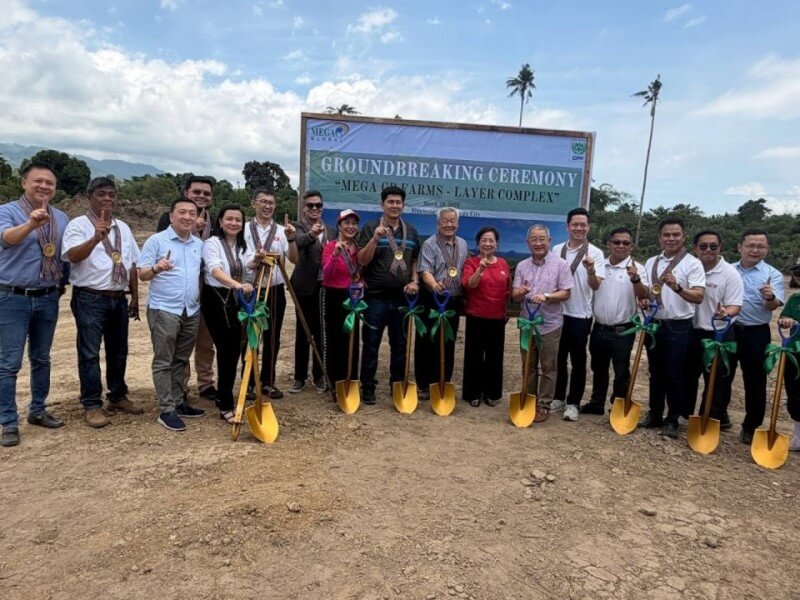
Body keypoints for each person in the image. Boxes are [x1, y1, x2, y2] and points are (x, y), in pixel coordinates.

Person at [62, 177, 143, 428]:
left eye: (111, 194)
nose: (107, 198)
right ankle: (91, 403)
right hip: (90, 297)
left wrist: (135, 297)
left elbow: (130, 264)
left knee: (119, 351)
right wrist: (95, 239)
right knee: (89, 352)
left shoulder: (124, 228)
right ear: (89, 197)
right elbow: (72, 256)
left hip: (118, 298)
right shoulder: (78, 225)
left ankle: (117, 395)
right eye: (101, 194)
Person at [0, 163, 69, 447]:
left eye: (49, 183)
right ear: (24, 183)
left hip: (47, 297)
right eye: (38, 181)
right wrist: (31, 224)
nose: (44, 187)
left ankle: (38, 410)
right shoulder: (7, 211)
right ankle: (8, 422)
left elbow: (63, 256)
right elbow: (6, 240)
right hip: (12, 297)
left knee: (41, 358)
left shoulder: (62, 217)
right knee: (9, 364)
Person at [138, 198, 206, 432]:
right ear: (171, 215)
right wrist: (157, 267)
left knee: (180, 359)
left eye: (192, 213)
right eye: (182, 212)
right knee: (164, 360)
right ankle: (166, 409)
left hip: (191, 310)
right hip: (165, 309)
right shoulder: (156, 241)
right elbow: (142, 274)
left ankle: (178, 401)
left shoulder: (198, 244)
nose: (187, 217)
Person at [641, 216, 705, 439]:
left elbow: (698, 296)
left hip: (679, 326)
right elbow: (648, 291)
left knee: (676, 374)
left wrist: (677, 287)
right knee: (655, 372)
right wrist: (644, 299)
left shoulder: (692, 263)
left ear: (683, 236)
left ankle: (672, 419)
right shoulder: (651, 262)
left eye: (676, 234)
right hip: (654, 324)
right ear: (660, 238)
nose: (671, 238)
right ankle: (655, 414)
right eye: (666, 234)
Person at [356, 186, 420, 405]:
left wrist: (414, 280)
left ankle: (397, 385)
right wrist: (374, 239)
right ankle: (367, 386)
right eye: (390, 202)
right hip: (375, 298)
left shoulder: (410, 230)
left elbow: (414, 259)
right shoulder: (370, 227)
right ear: (382, 204)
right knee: (371, 344)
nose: (394, 206)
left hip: (402, 299)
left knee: (400, 345)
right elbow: (361, 260)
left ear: (403, 205)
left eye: (398, 202)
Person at [157, 176, 217, 403]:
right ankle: (179, 387)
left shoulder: (217, 221)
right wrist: (192, 230)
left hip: (208, 289)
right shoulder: (170, 218)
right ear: (186, 193)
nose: (202, 196)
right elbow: (167, 247)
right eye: (197, 192)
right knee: (179, 343)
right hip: (179, 291)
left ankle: (206, 383)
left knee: (205, 341)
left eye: (206, 193)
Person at [724, 229, 784, 444]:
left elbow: (773, 305)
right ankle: (719, 416)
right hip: (728, 329)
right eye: (751, 245)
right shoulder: (728, 270)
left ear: (766, 249)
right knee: (723, 373)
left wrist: (769, 297)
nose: (755, 250)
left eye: (761, 246)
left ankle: (751, 426)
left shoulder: (773, 275)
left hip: (756, 332)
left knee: (755, 380)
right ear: (740, 247)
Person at [583, 227, 650, 415]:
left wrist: (635, 278)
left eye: (626, 243)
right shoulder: (599, 265)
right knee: (599, 367)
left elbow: (644, 294)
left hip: (623, 329)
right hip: (600, 327)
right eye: (616, 242)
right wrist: (590, 272)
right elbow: (594, 285)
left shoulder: (637, 268)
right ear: (609, 244)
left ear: (632, 247)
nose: (621, 246)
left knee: (621, 370)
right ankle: (597, 403)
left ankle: (619, 406)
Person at [511, 224, 573, 421]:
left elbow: (566, 292)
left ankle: (544, 403)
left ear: (549, 241)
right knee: (527, 364)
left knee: (548, 366)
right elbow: (514, 295)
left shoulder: (561, 265)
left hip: (549, 324)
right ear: (528, 243)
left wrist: (546, 296)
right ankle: (528, 399)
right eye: (534, 239)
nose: (538, 243)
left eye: (541, 239)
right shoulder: (522, 266)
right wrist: (520, 293)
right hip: (528, 324)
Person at [683, 230, 743, 429]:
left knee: (717, 381)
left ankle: (709, 419)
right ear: (695, 248)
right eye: (703, 246)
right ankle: (685, 414)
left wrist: (726, 313)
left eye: (713, 246)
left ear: (720, 247)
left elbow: (736, 305)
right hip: (692, 331)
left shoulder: (730, 274)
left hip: (719, 334)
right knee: (688, 376)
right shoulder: (690, 267)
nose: (708, 250)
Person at [551, 207, 605, 421]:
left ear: (589, 227)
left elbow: (596, 285)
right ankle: (558, 397)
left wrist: (591, 269)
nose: (579, 228)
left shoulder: (596, 253)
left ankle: (573, 402)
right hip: (556, 313)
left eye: (583, 225)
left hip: (580, 315)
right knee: (558, 358)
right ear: (567, 226)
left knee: (578, 360)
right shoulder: (555, 250)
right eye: (575, 224)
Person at [201, 205, 253, 424]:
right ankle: (226, 403)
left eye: (238, 220)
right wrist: (236, 285)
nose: (234, 223)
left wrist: (257, 261)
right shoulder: (211, 243)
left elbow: (249, 265)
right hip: (217, 299)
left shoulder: (242, 245)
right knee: (227, 350)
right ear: (220, 222)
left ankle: (224, 395)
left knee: (237, 347)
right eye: (229, 219)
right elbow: (214, 269)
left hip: (236, 299)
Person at [416, 207, 468, 401]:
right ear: (438, 223)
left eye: (452, 221)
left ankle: (442, 382)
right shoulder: (430, 244)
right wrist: (434, 284)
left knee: (448, 341)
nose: (449, 224)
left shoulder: (462, 244)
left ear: (457, 223)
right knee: (427, 342)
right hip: (432, 299)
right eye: (445, 221)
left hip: (453, 302)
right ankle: (423, 384)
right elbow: (424, 271)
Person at [286, 190, 335, 394]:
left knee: (321, 333)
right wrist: (312, 234)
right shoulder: (297, 227)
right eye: (310, 206)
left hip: (325, 288)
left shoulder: (332, 230)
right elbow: (296, 244)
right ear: (304, 207)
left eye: (318, 205)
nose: (315, 209)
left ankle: (319, 375)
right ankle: (299, 377)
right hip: (304, 287)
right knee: (303, 333)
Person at [244, 187, 290, 399]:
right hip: (250, 290)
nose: (267, 206)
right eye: (263, 201)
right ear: (254, 203)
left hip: (274, 290)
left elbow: (295, 258)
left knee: (273, 337)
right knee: (250, 337)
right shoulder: (243, 229)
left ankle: (268, 381)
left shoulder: (282, 231)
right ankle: (250, 382)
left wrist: (292, 239)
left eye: (271, 202)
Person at [461, 227, 511, 407]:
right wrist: (480, 269)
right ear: (478, 244)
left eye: (491, 240)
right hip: (476, 316)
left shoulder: (503, 264)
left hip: (497, 317)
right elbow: (469, 285)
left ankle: (492, 394)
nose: (488, 244)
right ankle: (472, 393)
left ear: (496, 244)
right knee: (474, 356)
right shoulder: (471, 262)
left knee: (495, 357)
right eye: (484, 241)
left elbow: (507, 290)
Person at [321, 209, 362, 389]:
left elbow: (361, 273)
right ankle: (332, 380)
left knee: (352, 338)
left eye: (354, 223)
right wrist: (336, 254)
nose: (351, 227)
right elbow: (326, 273)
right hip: (333, 295)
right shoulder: (331, 246)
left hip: (353, 297)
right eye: (347, 223)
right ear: (339, 226)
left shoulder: (359, 249)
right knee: (334, 339)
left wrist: (362, 283)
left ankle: (350, 378)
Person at [777, 260, 800, 451]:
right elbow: (783, 317)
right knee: (795, 394)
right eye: (797, 274)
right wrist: (786, 321)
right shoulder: (794, 300)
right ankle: (798, 436)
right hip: (794, 354)